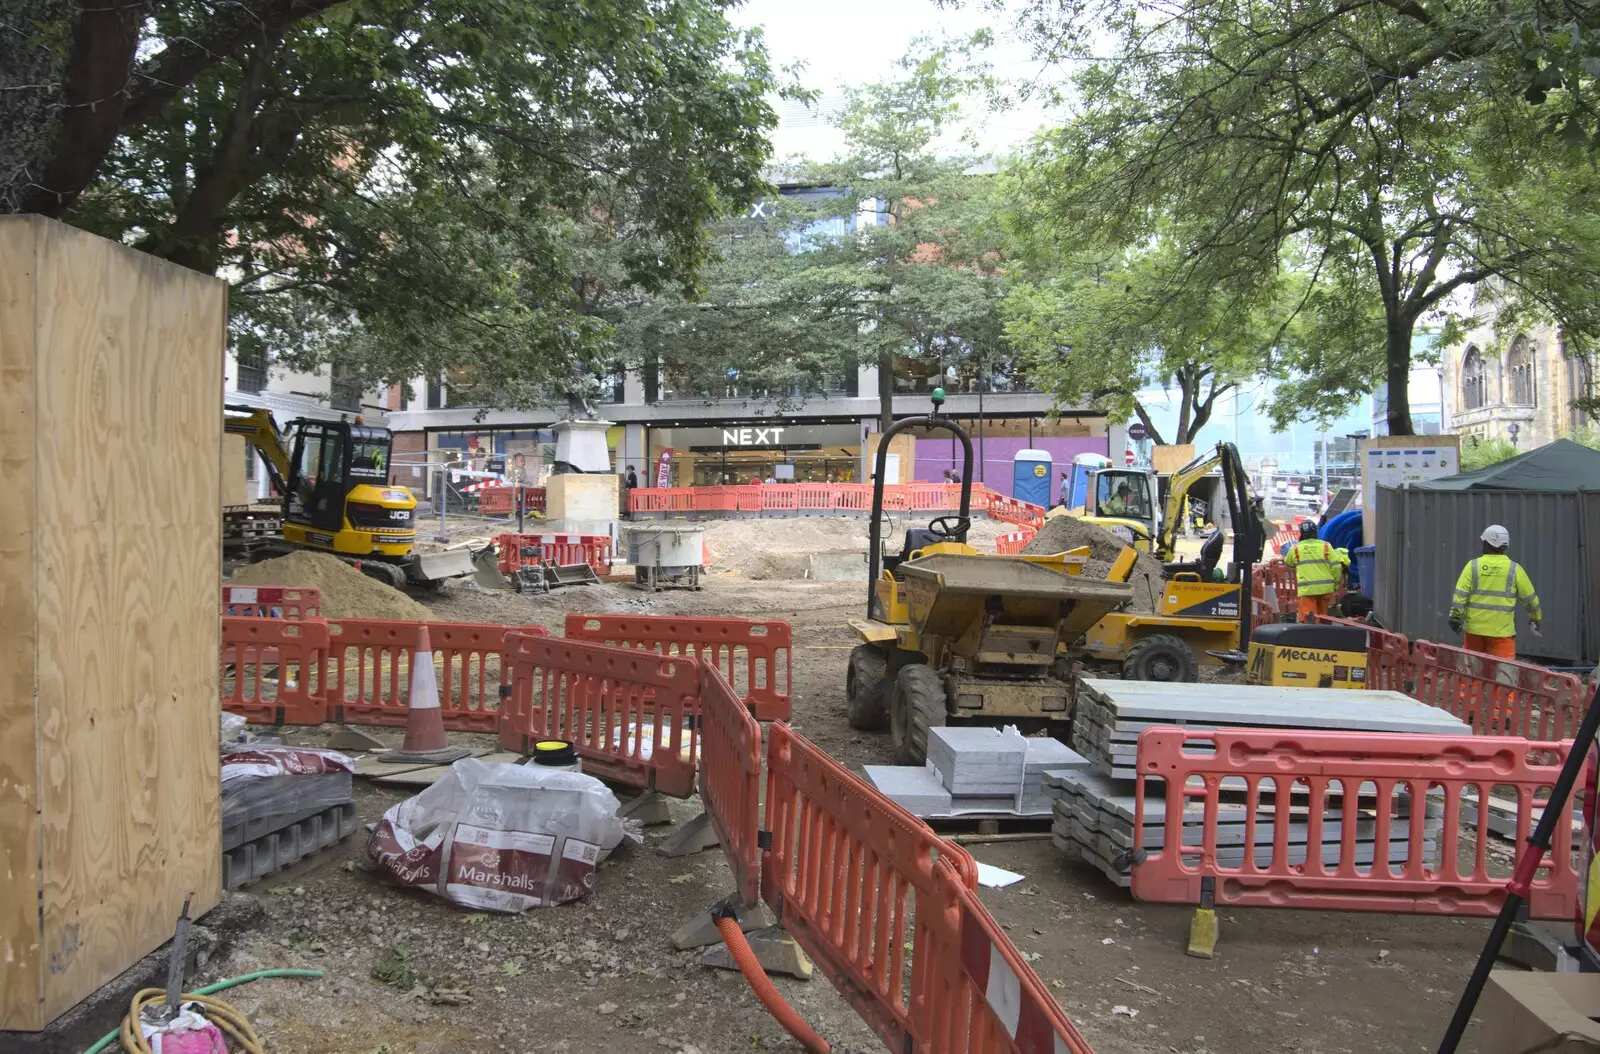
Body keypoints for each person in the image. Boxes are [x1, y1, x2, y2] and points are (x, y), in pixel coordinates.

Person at [1449, 525, 1541, 658]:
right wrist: (1536, 617)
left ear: (1486, 543)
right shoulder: (1514, 569)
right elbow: (1530, 599)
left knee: (1471, 674)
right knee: (1503, 675)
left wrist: (1455, 616)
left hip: (1474, 632)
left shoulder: (1472, 566)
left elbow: (1460, 595)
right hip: (1502, 634)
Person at [1284, 520, 1349, 622]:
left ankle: (1310, 637)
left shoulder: (1296, 548)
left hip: (1307, 590)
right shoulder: (1326, 546)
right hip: (1326, 589)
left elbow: (1288, 563)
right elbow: (1336, 567)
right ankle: (1325, 636)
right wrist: (1335, 585)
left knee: (1309, 619)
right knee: (1324, 618)